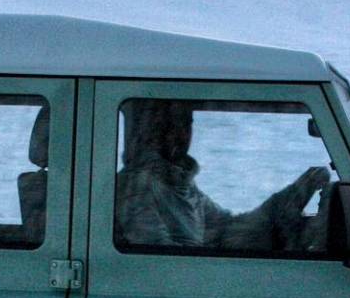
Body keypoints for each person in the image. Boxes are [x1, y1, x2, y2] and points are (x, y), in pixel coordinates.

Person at [114, 100, 331, 251]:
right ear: (152, 129)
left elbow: (229, 231)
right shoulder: (136, 186)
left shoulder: (181, 185)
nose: (181, 135)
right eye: (170, 125)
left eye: (186, 124)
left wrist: (291, 197)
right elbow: (161, 262)